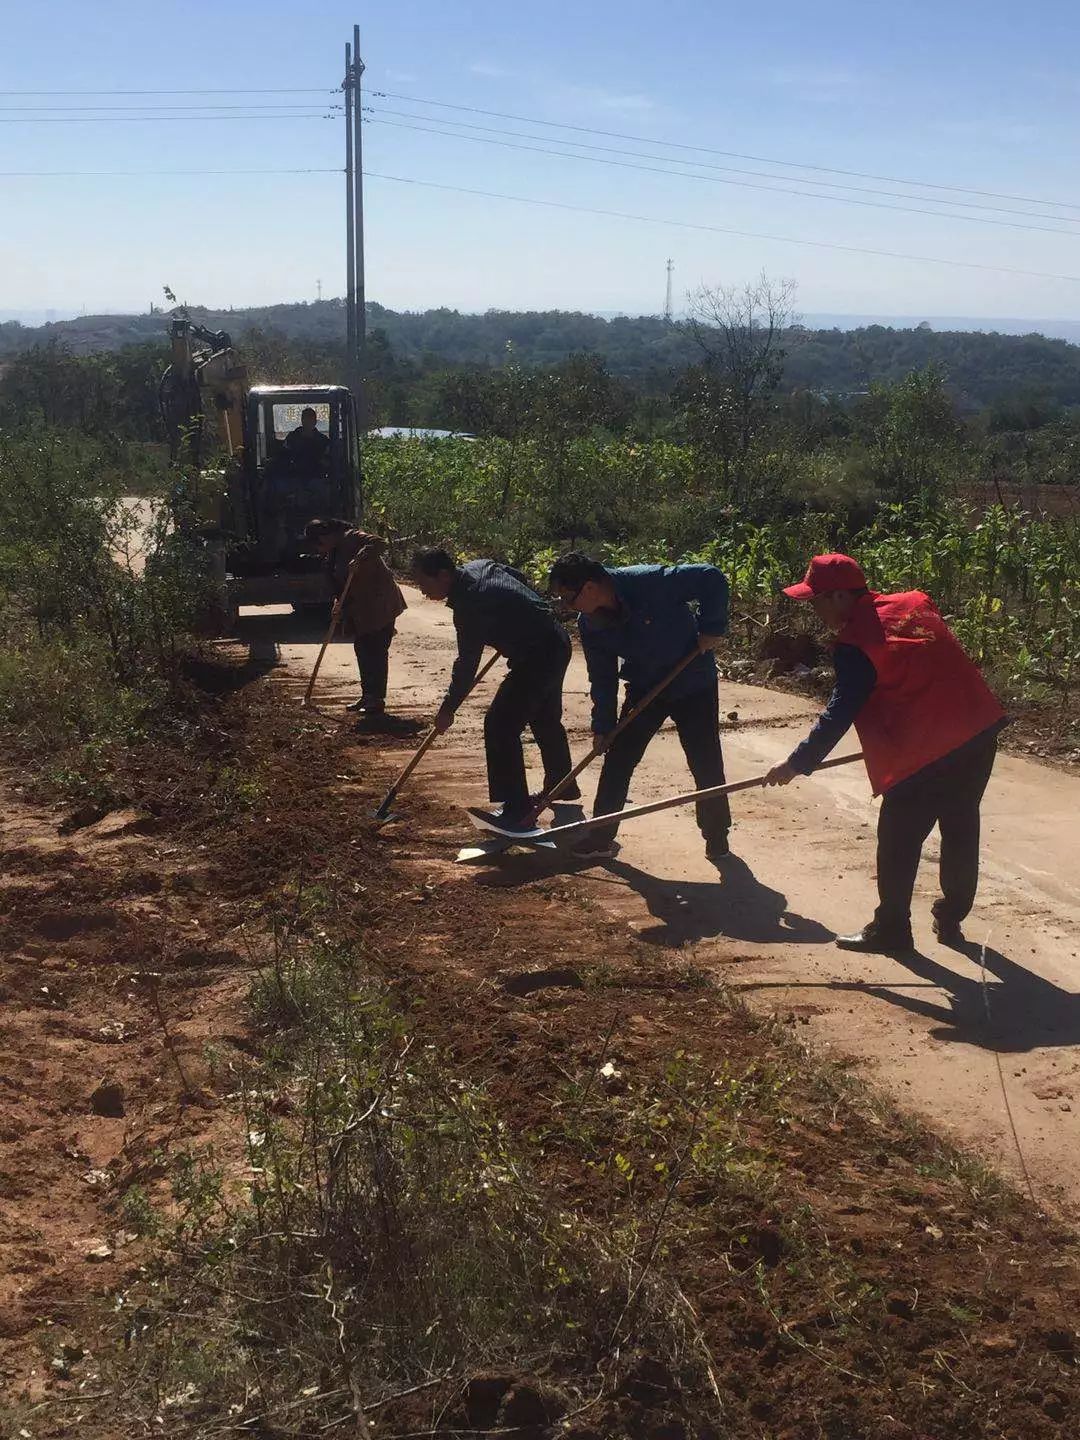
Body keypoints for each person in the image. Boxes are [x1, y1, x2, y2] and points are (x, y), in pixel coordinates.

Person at [764, 553, 1006, 952]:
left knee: (898, 838)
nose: (815, 609)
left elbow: (840, 711)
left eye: (817, 600)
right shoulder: (914, 602)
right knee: (961, 824)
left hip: (927, 749)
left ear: (841, 596)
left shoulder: (854, 644)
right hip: (978, 731)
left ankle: (892, 930)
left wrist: (796, 763)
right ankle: (952, 914)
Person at [548, 553, 731, 864]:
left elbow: (711, 577)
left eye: (568, 598)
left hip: (692, 681)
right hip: (645, 686)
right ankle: (600, 836)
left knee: (705, 762)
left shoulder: (650, 582)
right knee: (619, 758)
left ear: (590, 588)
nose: (567, 606)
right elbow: (602, 677)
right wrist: (603, 725)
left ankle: (717, 837)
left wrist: (711, 627)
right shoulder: (591, 624)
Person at [410, 549, 578, 830]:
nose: (424, 592)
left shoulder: (470, 605)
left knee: (500, 724)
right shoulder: (479, 566)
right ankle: (562, 785)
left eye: (425, 585)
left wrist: (448, 708)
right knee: (544, 718)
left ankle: (516, 807)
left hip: (538, 656)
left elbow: (466, 665)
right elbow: (517, 577)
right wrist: (514, 614)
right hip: (555, 641)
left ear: (443, 575)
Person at [305, 518, 406, 716]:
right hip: (361, 609)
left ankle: (376, 699)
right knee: (362, 648)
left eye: (319, 544)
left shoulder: (353, 538)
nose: (319, 549)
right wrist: (338, 604)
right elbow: (339, 585)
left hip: (380, 604)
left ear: (326, 536)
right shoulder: (332, 554)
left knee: (376, 649)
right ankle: (368, 695)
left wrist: (360, 557)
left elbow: (379, 543)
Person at [287, 408, 330, 477]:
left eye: (311, 420)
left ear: (315, 422)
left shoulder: (323, 440)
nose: (308, 423)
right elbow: (284, 457)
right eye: (306, 420)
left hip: (316, 477)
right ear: (302, 421)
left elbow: (328, 462)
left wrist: (318, 457)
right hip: (294, 477)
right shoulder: (292, 438)